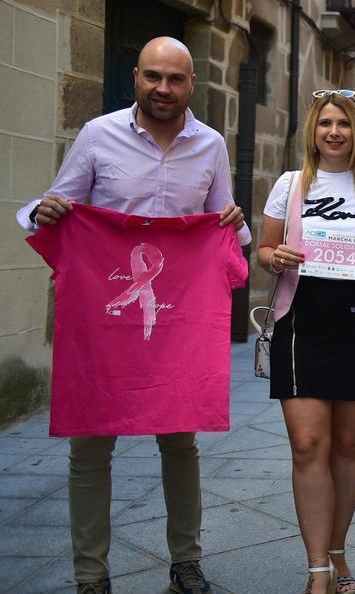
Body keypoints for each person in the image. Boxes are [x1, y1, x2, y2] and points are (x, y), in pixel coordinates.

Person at [15, 37, 249, 594]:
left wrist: (235, 222)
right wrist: (39, 211)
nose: (162, 88)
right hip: (104, 320)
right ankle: (90, 576)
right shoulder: (98, 136)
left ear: (191, 84)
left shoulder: (211, 146)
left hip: (177, 321)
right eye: (152, 77)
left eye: (174, 79)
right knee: (91, 447)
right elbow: (50, 209)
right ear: (136, 79)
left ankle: (185, 563)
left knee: (180, 442)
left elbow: (227, 231)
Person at [257, 89, 355, 594]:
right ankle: (317, 566)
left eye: (343, 123)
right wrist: (277, 259)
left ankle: (338, 548)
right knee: (307, 443)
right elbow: (265, 249)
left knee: (347, 443)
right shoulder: (290, 184)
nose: (334, 132)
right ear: (313, 132)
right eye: (325, 124)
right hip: (301, 319)